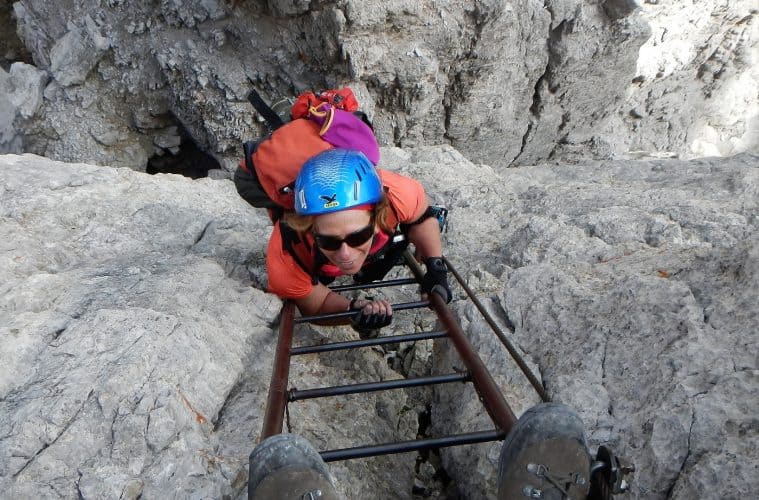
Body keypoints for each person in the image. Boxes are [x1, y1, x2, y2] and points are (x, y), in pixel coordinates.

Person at [265, 148, 451, 333]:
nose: (345, 253)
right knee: (326, 273)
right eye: (329, 241)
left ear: (378, 219)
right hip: (320, 260)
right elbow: (316, 305)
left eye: (357, 237)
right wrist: (351, 310)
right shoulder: (287, 254)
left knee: (378, 264)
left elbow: (420, 217)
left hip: (369, 244)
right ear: (309, 231)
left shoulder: (399, 194)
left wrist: (435, 267)